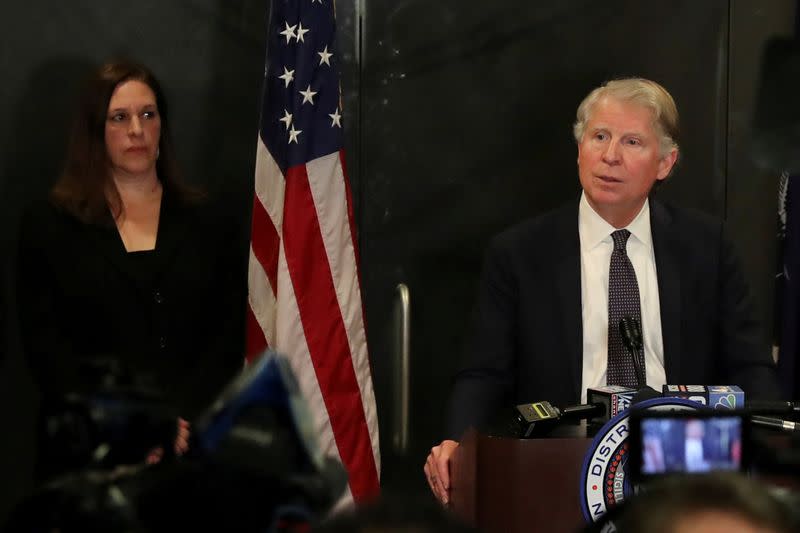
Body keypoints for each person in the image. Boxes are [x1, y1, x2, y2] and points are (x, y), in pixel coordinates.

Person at [424, 78, 780, 504]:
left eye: (632, 141)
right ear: (580, 149)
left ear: (665, 162)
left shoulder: (706, 246)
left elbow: (749, 365)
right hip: (561, 459)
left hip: (682, 459)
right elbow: (484, 372)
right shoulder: (520, 253)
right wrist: (456, 444)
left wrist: (771, 449)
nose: (610, 156)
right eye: (599, 137)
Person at [16, 59, 246, 480]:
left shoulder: (210, 221)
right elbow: (49, 355)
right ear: (94, 132)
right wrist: (133, 427)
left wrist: (175, 423)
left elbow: (228, 338)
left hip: (193, 458)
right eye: (119, 118)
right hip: (89, 463)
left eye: (147, 115)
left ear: (162, 126)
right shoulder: (48, 227)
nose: (137, 131)